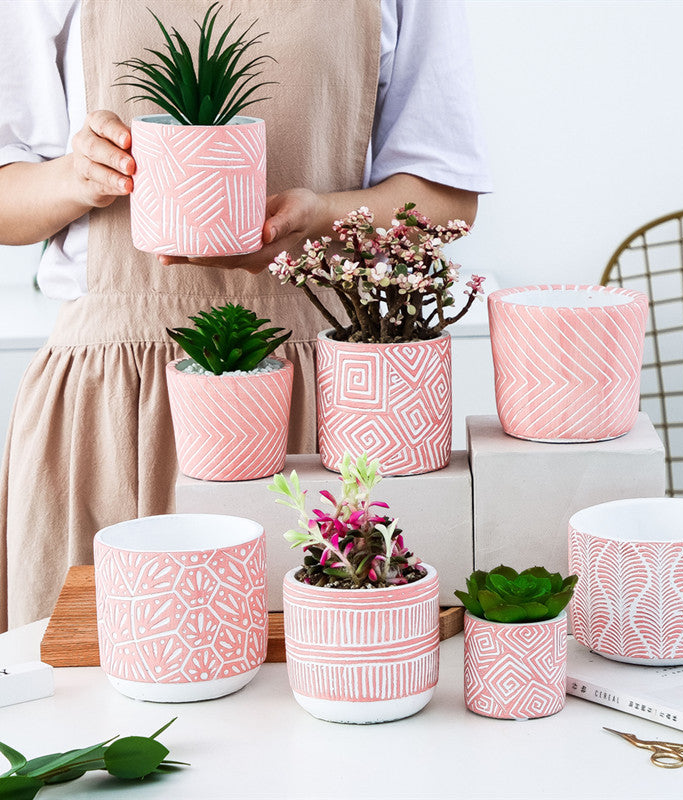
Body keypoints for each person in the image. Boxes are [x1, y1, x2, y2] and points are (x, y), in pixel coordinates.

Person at [0, 0, 491, 630]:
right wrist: (79, 177)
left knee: (330, 680)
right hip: (114, 406)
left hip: (323, 396)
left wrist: (317, 219)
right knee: (90, 698)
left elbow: (448, 200)